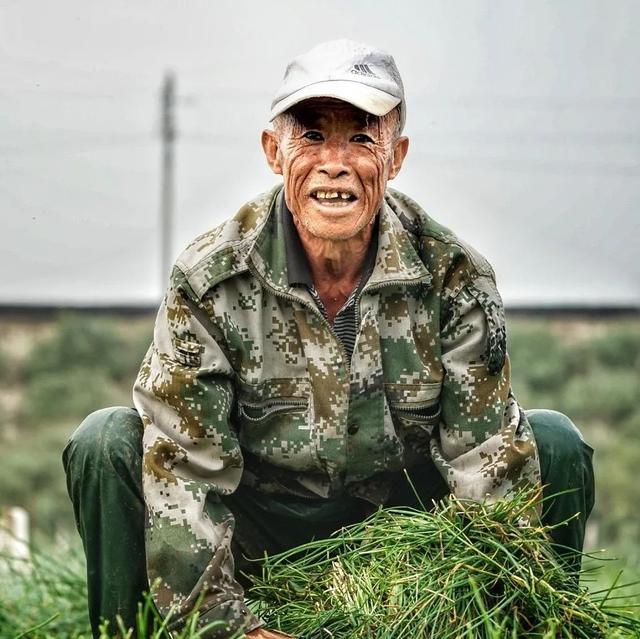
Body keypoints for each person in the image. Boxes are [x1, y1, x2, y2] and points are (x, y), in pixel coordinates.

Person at [63, 39, 595, 639]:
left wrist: (468, 612)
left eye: (362, 139)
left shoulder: (454, 277)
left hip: (396, 533)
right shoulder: (211, 279)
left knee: (553, 441)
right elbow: (187, 469)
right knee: (105, 440)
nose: (334, 163)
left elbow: (486, 466)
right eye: (312, 137)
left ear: (396, 157)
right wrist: (228, 629)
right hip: (258, 530)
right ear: (273, 151)